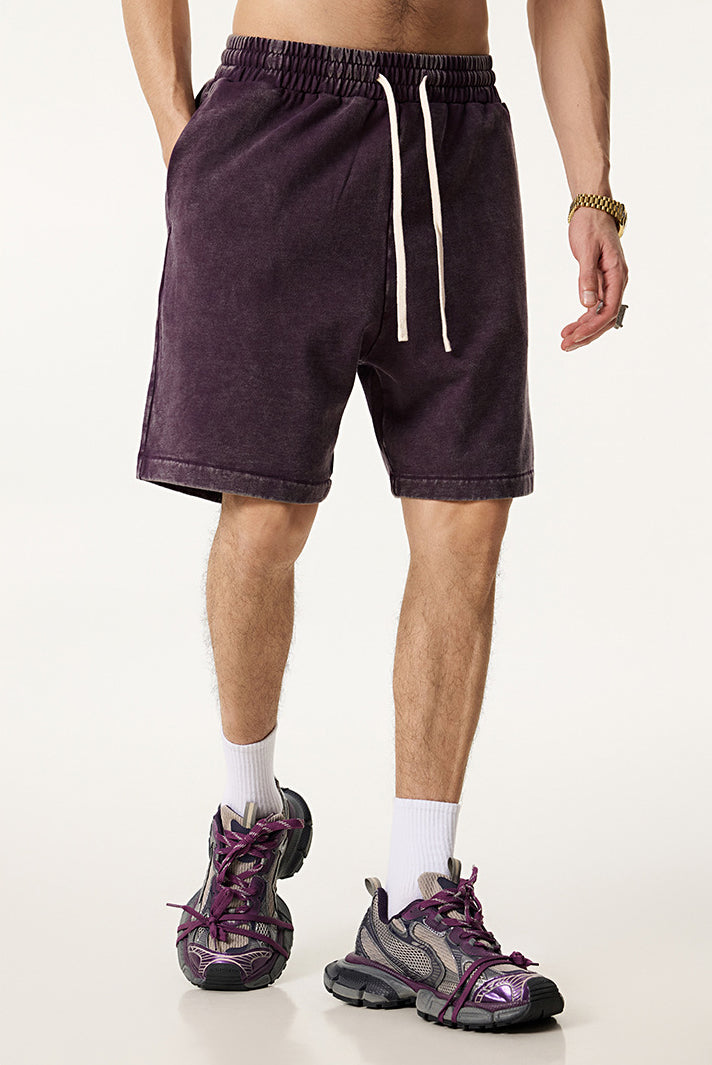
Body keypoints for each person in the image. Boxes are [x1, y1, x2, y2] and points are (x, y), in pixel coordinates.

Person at [122, 0, 628, 1030]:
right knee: (265, 515)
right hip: (275, 119)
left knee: (467, 514)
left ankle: (413, 899)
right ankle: (248, 816)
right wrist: (183, 139)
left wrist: (592, 188)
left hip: (456, 135)